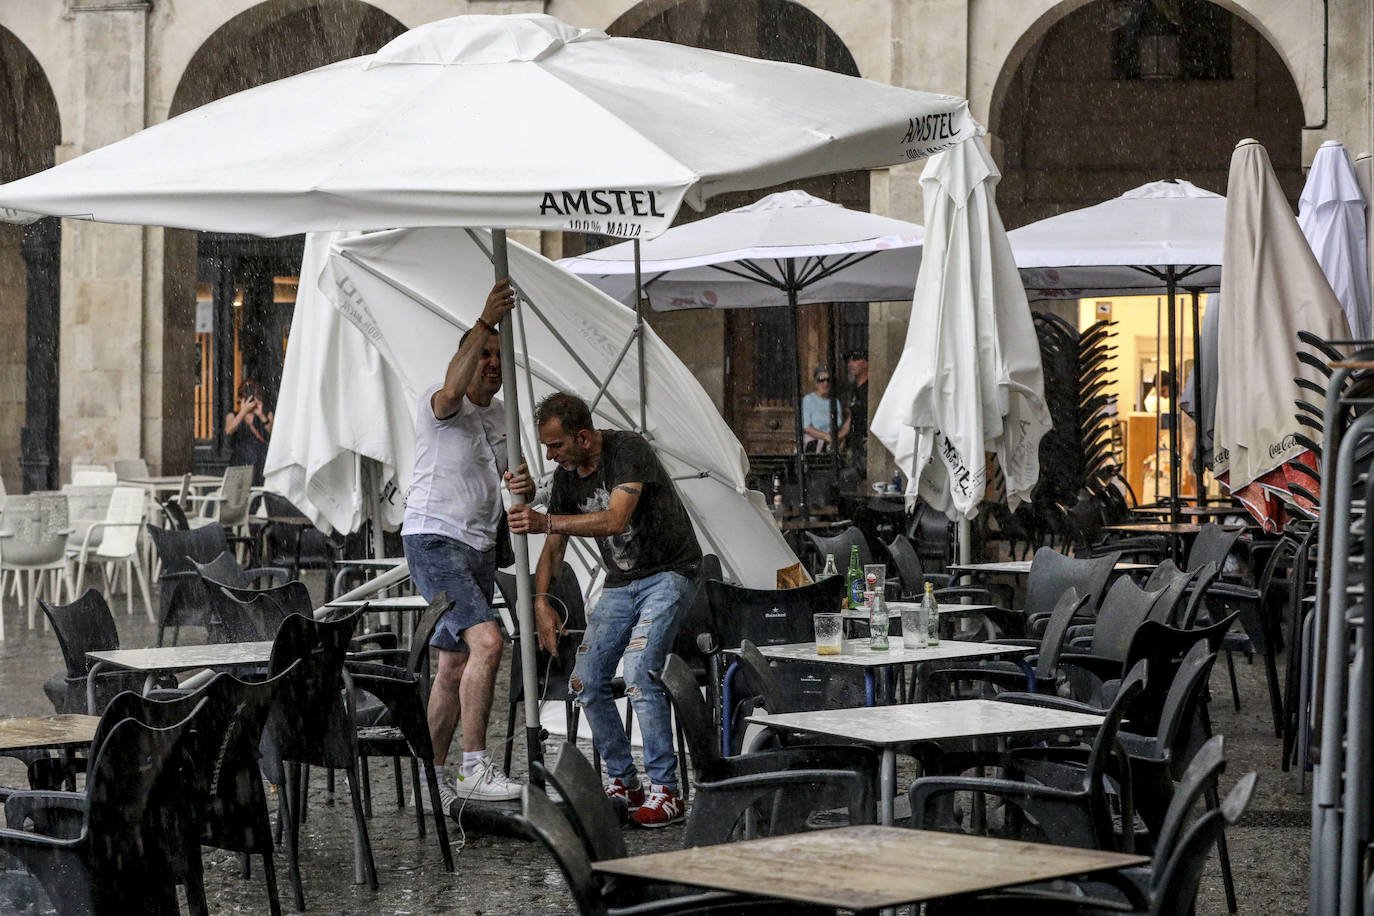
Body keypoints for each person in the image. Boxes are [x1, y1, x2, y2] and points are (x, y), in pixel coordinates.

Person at [509, 392, 701, 828]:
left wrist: (547, 521)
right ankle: (624, 781)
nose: (549, 455)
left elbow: (615, 519)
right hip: (621, 583)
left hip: (670, 573)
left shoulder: (628, 449)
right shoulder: (565, 479)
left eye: (556, 446)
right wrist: (539, 603)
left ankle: (666, 790)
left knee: (638, 671)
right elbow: (553, 550)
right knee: (584, 680)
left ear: (582, 436)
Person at [401, 277, 537, 809]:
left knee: (452, 666)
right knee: (489, 642)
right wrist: (484, 321)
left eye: (501, 356)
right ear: (467, 355)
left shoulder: (502, 417)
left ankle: (429, 779)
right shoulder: (440, 403)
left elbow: (512, 481)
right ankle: (474, 770)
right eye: (485, 354)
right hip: (436, 538)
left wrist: (522, 485)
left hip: (478, 544)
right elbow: (453, 388)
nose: (494, 363)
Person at [225, 379, 274, 485]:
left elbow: (272, 433)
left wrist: (261, 415)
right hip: (241, 461)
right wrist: (243, 412)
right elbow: (229, 430)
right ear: (240, 399)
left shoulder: (266, 413)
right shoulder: (233, 415)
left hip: (261, 461)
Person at [801, 365, 849, 452]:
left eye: (828, 380)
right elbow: (806, 427)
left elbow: (840, 426)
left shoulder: (835, 402)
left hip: (834, 445)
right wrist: (826, 437)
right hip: (814, 445)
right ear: (816, 383)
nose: (825, 383)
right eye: (821, 380)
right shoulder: (808, 400)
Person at [843, 349, 869, 473]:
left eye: (855, 359)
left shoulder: (870, 388)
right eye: (849, 360)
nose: (850, 363)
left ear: (866, 363)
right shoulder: (854, 388)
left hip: (865, 444)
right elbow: (851, 417)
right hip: (854, 443)